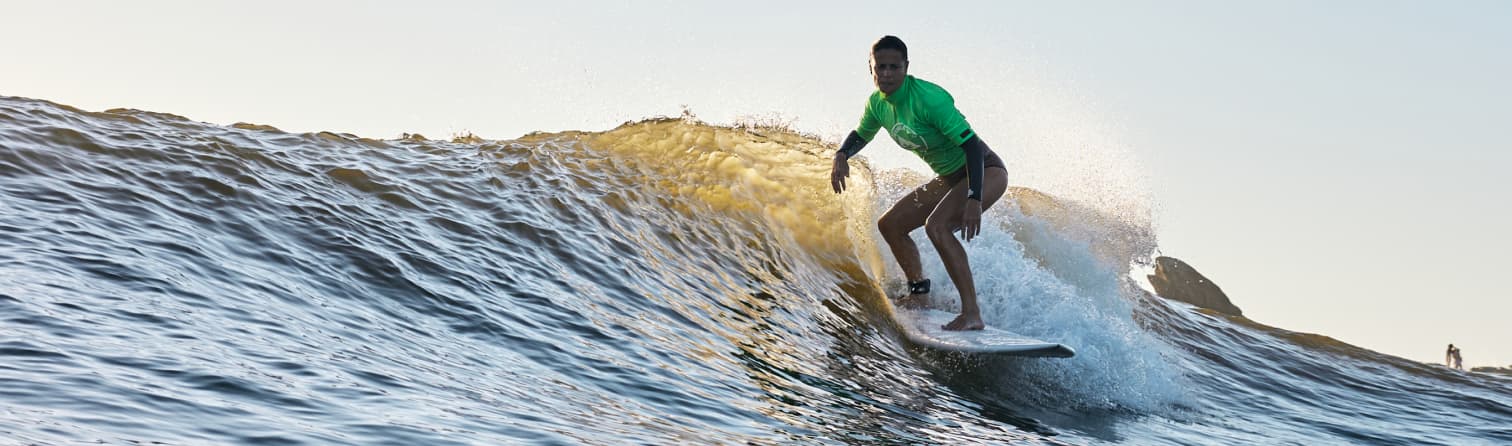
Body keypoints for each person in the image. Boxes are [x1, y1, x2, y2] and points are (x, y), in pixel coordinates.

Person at [830, 35, 1009, 331]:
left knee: (936, 227)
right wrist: (842, 154)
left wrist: (974, 199)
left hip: (985, 171)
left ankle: (972, 313)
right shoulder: (877, 104)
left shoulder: (929, 99)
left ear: (906, 67)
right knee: (891, 225)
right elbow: (861, 134)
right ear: (870, 68)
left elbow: (972, 147)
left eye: (894, 67)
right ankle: (919, 294)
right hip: (950, 178)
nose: (886, 74)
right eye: (880, 67)